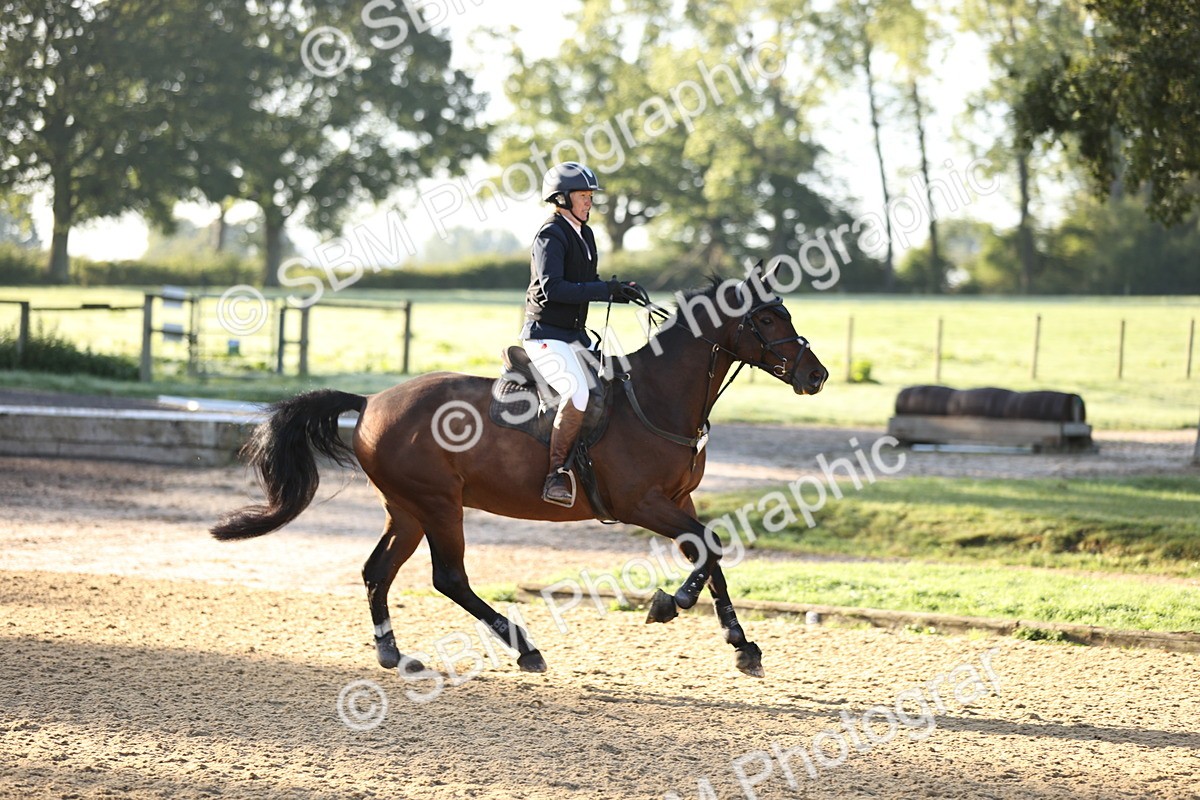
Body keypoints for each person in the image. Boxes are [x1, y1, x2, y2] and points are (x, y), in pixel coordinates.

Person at [521, 162, 642, 507]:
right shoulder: (550, 235)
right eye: (583, 195)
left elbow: (586, 282)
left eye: (590, 195)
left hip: (574, 336)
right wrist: (603, 290)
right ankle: (555, 474)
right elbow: (553, 288)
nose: (589, 201)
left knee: (617, 381)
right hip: (546, 335)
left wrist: (618, 291)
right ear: (562, 198)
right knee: (577, 393)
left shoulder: (584, 234)